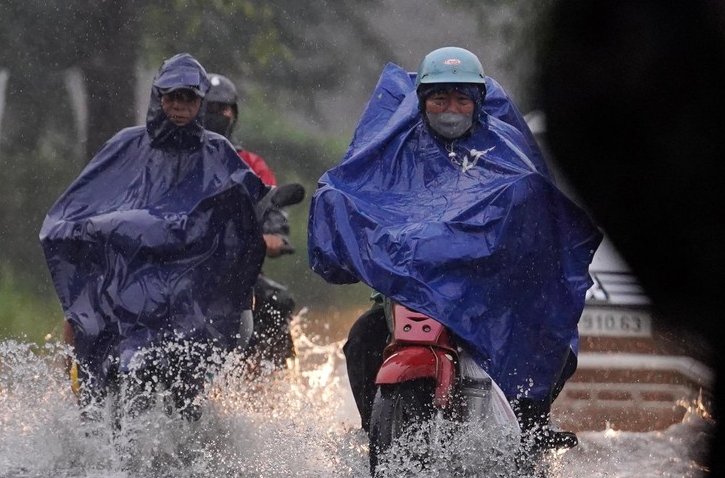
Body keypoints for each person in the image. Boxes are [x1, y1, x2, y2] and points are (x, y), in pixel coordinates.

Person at [309, 46, 600, 443]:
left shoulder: (505, 154)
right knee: (362, 341)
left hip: (488, 299)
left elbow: (536, 211)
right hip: (412, 292)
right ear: (422, 101)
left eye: (461, 99)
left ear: (478, 102)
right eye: (439, 98)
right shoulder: (393, 150)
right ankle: (369, 432)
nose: (450, 108)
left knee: (550, 342)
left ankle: (530, 426)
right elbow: (354, 188)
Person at [41, 53, 267, 399]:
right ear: (159, 97)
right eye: (172, 96)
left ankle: (210, 410)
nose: (179, 105)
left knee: (216, 351)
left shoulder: (218, 153)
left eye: (188, 97)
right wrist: (90, 230)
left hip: (192, 281)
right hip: (128, 276)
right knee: (81, 324)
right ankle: (75, 397)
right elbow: (81, 204)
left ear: (200, 101)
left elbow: (242, 217)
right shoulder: (125, 146)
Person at [197, 71, 298, 364]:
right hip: (179, 268)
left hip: (235, 273)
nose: (215, 115)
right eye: (208, 108)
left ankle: (265, 388)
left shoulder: (251, 164)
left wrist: (273, 235)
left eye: (222, 109)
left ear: (234, 114)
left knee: (275, 302)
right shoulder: (176, 159)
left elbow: (271, 206)